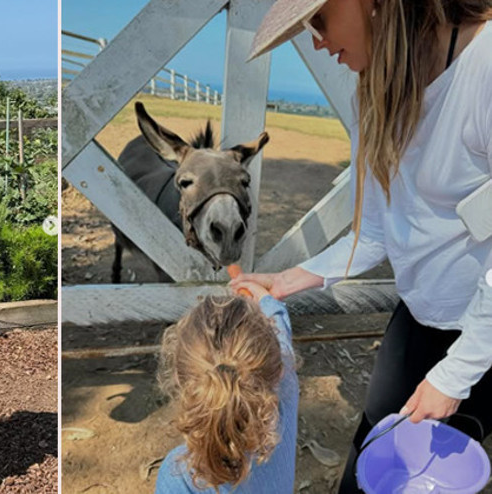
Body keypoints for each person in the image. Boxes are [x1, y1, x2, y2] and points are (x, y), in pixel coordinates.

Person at [240, 0, 492, 491]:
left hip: (483, 328)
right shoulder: (372, 97)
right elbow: (377, 230)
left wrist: (457, 373)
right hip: (423, 315)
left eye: (319, 18)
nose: (316, 40)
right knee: (370, 461)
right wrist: (287, 280)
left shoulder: (483, 69)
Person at [154, 282, 299, 493]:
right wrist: (269, 302)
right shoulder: (286, 393)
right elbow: (283, 340)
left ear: (178, 377)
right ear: (279, 371)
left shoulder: (178, 475)